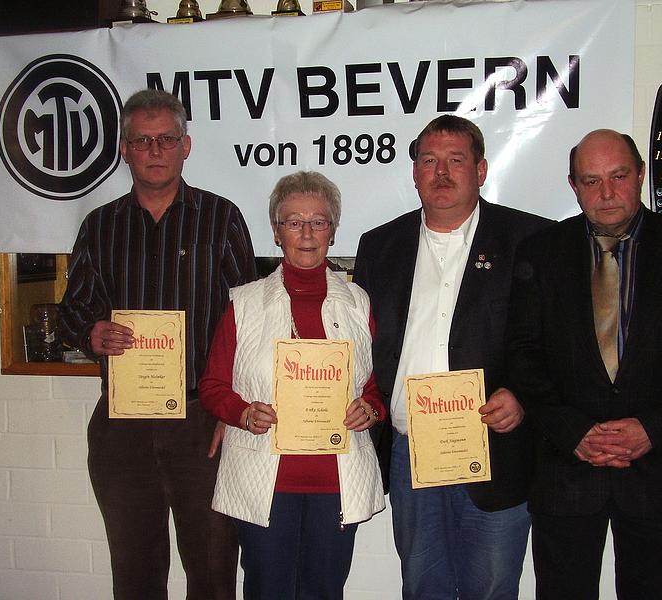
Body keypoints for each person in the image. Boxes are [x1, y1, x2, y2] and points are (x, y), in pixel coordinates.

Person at [505, 129, 662, 600]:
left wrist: (651, 429)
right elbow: (523, 356)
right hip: (566, 469)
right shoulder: (541, 252)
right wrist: (573, 431)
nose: (606, 193)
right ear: (574, 185)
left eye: (618, 176)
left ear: (641, 175)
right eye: (591, 180)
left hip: (659, 468)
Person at [59, 89, 256, 599]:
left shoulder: (221, 218)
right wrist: (90, 333)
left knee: (213, 573)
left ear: (185, 146)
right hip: (122, 424)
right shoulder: (100, 225)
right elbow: (71, 311)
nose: (154, 150)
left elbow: (249, 322)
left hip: (201, 422)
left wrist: (231, 410)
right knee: (135, 575)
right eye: (142, 140)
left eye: (166, 139)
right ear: (124, 149)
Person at [353, 114, 551, 600]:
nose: (441, 173)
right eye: (429, 161)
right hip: (411, 450)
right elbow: (362, 343)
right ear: (414, 172)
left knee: (492, 587)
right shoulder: (379, 245)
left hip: (495, 449)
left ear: (481, 170)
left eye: (455, 160)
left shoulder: (531, 239)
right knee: (422, 585)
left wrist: (522, 394)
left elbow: (553, 340)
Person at [199, 170, 386, 600]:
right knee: (267, 590)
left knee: (325, 590)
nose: (306, 233)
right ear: (276, 231)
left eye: (318, 222)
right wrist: (242, 413)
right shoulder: (244, 303)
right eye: (293, 222)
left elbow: (376, 385)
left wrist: (370, 408)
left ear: (333, 232)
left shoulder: (358, 303)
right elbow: (213, 385)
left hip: (336, 481)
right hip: (266, 481)